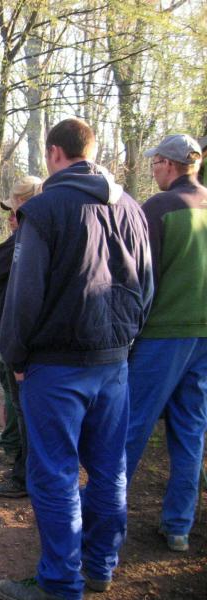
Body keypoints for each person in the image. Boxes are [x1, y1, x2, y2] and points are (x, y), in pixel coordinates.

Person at [0, 118, 153, 600]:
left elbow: (24, 295)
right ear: (92, 150)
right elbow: (146, 286)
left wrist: (14, 354)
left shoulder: (43, 211)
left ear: (53, 153)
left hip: (57, 365)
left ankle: (61, 583)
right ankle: (100, 565)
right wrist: (126, 342)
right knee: (109, 469)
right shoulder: (131, 207)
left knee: (55, 473)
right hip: (113, 362)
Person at [124, 133, 207, 553]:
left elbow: (140, 277)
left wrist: (127, 333)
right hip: (203, 337)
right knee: (191, 431)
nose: (153, 169)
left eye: (155, 162)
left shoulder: (159, 208)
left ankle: (103, 520)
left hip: (162, 336)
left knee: (131, 426)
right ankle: (178, 526)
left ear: (169, 165)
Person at [0, 176, 43, 499]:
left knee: (25, 410)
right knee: (19, 406)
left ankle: (26, 475)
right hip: (11, 338)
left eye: (14, 210)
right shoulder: (20, 238)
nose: (10, 217)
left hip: (22, 343)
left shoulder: (30, 239)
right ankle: (24, 468)